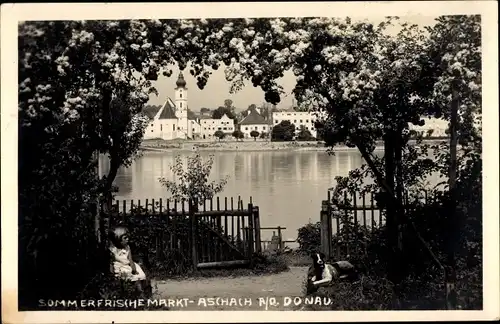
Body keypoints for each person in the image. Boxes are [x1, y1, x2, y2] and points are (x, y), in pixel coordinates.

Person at [108, 226, 148, 297]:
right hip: (119, 267)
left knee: (138, 277)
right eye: (125, 238)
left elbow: (130, 259)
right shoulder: (113, 250)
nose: (127, 239)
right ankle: (124, 294)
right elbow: (111, 262)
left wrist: (134, 269)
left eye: (127, 237)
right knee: (122, 279)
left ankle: (141, 294)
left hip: (128, 266)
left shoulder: (127, 247)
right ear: (118, 239)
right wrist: (111, 272)